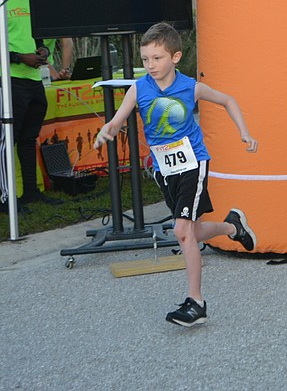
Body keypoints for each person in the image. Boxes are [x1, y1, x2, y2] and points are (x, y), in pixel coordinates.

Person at [95, 23, 259, 326]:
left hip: (193, 162)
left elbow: (228, 101)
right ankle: (231, 227)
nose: (150, 65)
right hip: (163, 167)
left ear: (176, 57)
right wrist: (108, 130)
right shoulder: (139, 88)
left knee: (182, 231)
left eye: (157, 58)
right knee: (190, 232)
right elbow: (118, 120)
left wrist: (244, 133)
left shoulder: (190, 87)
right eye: (145, 59)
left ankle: (196, 302)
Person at [2, 0, 61, 212]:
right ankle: (6, 199)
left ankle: (30, 192)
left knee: (28, 139)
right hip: (10, 80)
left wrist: (44, 51)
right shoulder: (2, 3)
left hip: (34, 80)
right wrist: (17, 57)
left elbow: (44, 36)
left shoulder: (30, 1)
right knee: (8, 141)